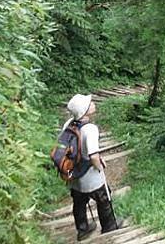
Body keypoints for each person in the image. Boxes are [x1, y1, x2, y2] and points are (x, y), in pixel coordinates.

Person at [64, 93, 122, 241]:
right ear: (84, 111)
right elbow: (93, 156)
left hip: (75, 174)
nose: (93, 103)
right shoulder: (90, 129)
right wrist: (99, 167)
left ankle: (82, 229)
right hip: (90, 176)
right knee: (103, 199)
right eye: (89, 103)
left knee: (79, 202)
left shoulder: (69, 124)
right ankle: (109, 227)